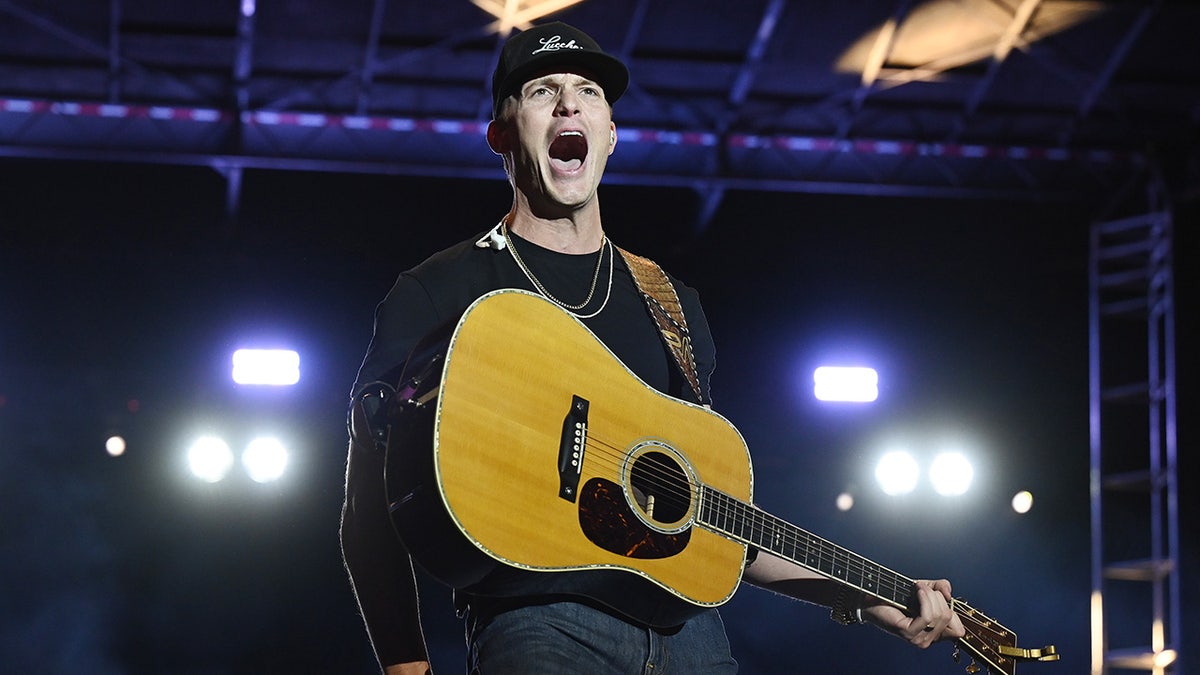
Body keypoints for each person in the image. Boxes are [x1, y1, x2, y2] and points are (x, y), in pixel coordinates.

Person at [340, 21, 966, 675]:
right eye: (541, 91)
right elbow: (370, 508)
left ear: (609, 134)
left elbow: (707, 516)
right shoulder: (439, 290)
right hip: (537, 625)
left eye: (588, 91)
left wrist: (872, 597)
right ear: (502, 133)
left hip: (689, 633)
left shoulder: (670, 302)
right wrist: (406, 668)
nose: (568, 105)